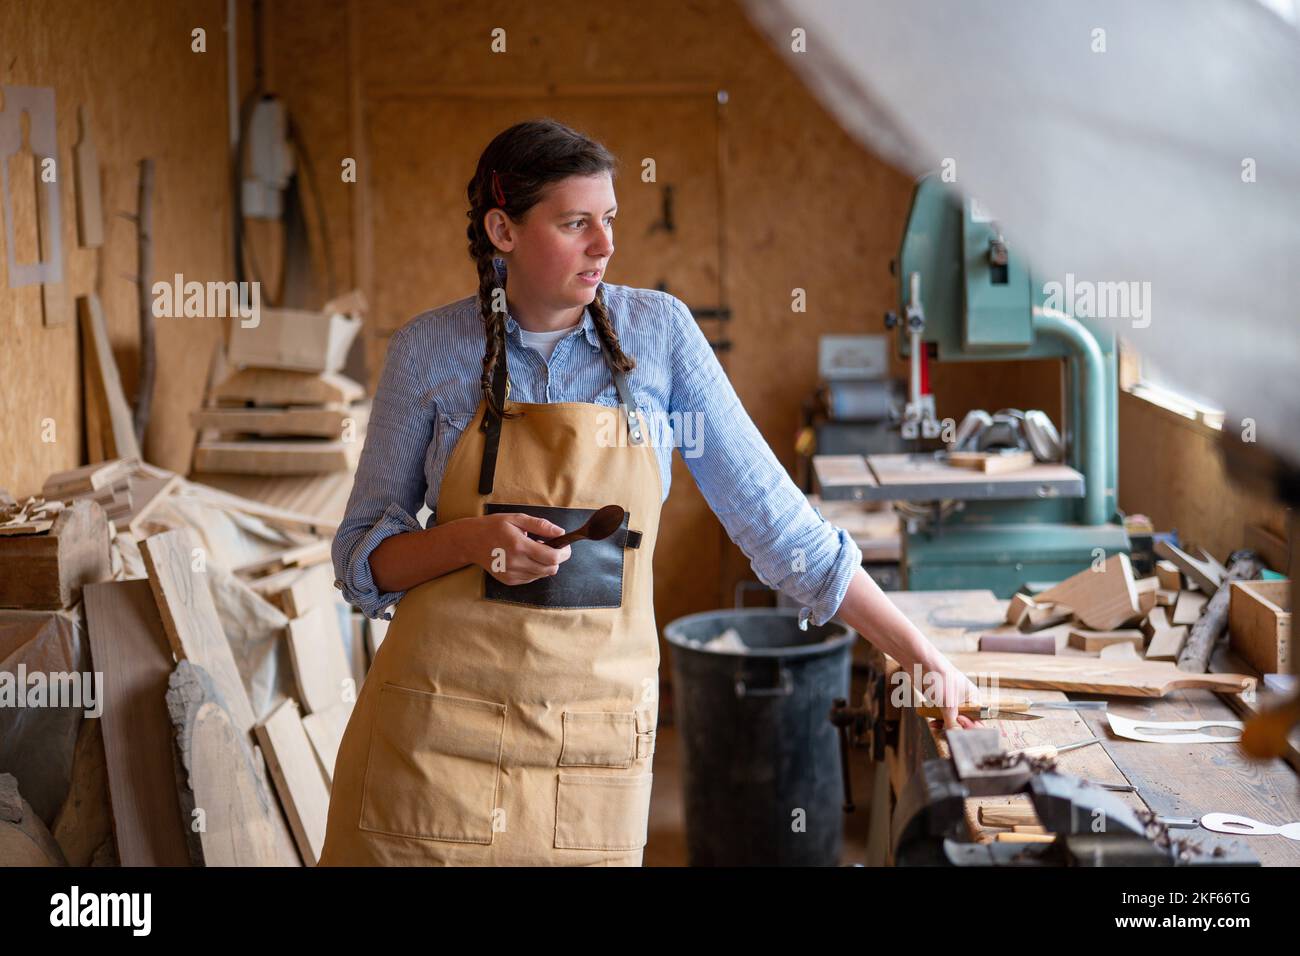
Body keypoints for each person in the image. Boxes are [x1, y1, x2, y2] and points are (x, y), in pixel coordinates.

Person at [317, 118, 981, 867]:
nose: (604, 245)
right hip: (435, 747)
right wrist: (473, 540)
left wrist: (918, 653)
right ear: (503, 229)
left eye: (609, 220)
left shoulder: (658, 337)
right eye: (575, 224)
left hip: (588, 747)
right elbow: (361, 562)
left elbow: (777, 527)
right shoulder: (428, 353)